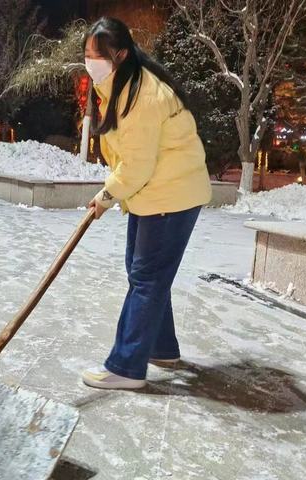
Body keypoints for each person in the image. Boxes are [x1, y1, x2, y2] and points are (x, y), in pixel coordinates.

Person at [81, 17, 212, 389]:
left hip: (171, 194)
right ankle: (161, 347)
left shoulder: (142, 96)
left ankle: (126, 366)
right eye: (87, 54)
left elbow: (137, 165)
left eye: (97, 55)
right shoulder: (122, 85)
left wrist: (106, 196)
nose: (90, 62)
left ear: (120, 55)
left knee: (147, 278)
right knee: (145, 274)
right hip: (155, 192)